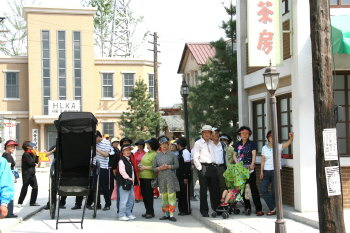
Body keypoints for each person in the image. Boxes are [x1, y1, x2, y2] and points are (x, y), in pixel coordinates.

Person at [260, 131, 294, 215]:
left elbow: (288, 143)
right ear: (268, 138)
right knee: (263, 189)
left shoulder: (278, 146)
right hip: (266, 171)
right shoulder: (264, 148)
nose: (272, 138)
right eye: (270, 137)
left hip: (276, 171)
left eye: (274, 136)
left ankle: (274, 209)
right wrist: (261, 171)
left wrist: (291, 138)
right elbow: (263, 160)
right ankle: (274, 207)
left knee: (275, 191)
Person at [232, 126, 264, 216]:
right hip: (241, 170)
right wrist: (237, 162)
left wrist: (253, 163)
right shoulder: (237, 144)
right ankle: (247, 207)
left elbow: (254, 154)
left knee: (253, 188)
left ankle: (258, 209)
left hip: (250, 169)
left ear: (249, 134)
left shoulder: (252, 143)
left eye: (246, 133)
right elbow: (234, 155)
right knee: (244, 188)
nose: (244, 135)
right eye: (242, 133)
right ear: (240, 134)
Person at [193, 125, 220, 217]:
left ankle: (216, 208)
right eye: (205, 132)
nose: (207, 134)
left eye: (209, 132)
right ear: (202, 133)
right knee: (203, 190)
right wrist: (200, 168)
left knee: (214, 190)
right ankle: (204, 211)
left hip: (212, 167)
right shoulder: (198, 143)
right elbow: (195, 156)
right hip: (203, 167)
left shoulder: (212, 143)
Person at [153, 136, 180, 222]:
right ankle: (166, 214)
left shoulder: (173, 155)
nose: (164, 146)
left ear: (168, 145)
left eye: (166, 144)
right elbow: (153, 168)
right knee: (164, 196)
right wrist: (159, 168)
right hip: (161, 178)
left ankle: (171, 214)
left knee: (171, 195)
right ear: (160, 146)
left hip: (171, 177)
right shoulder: (157, 156)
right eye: (162, 144)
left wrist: (169, 166)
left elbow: (177, 165)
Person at [87, 130, 112, 211]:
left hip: (103, 167)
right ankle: (97, 204)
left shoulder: (106, 142)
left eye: (95, 139)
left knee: (104, 187)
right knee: (94, 186)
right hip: (94, 166)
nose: (95, 141)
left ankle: (108, 204)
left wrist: (97, 150)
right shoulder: (94, 143)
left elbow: (106, 155)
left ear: (98, 137)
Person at [139, 138, 159, 219]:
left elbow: (155, 167)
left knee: (149, 195)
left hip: (149, 177)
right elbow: (142, 162)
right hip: (142, 177)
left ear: (151, 145)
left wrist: (145, 167)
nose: (146, 145)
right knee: (144, 195)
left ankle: (151, 212)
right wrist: (140, 165)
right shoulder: (147, 153)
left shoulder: (155, 154)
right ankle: (147, 210)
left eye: (148, 144)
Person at [117, 144, 138, 221]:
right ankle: (121, 215)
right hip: (124, 183)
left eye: (129, 150)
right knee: (124, 200)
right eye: (126, 150)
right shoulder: (121, 160)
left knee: (130, 200)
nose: (128, 151)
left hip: (130, 183)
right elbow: (122, 171)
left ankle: (128, 213)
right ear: (122, 152)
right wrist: (128, 178)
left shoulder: (129, 160)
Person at [18, 141, 39, 207]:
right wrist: (35, 164)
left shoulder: (31, 153)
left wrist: (37, 156)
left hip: (32, 173)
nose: (32, 147)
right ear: (27, 147)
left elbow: (35, 162)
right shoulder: (25, 154)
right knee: (25, 188)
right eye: (31, 146)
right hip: (26, 174)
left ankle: (32, 202)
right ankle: (20, 202)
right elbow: (30, 163)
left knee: (35, 187)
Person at [2, 140, 18, 218]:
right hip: (8, 178)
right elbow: (7, 168)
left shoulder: (4, 155)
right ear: (6, 147)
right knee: (9, 194)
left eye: (14, 147)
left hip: (5, 177)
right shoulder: (8, 156)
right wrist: (12, 177)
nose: (13, 148)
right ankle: (9, 213)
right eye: (11, 146)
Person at [175, 137, 191, 215]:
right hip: (179, 176)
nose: (176, 145)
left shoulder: (185, 152)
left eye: (177, 144)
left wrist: (186, 177)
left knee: (185, 193)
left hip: (184, 176)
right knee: (180, 193)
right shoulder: (180, 152)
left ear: (180, 144)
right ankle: (181, 210)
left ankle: (186, 210)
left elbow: (187, 165)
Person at [212, 128, 227, 196]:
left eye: (218, 133)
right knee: (214, 187)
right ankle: (215, 205)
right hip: (212, 167)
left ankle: (224, 203)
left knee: (223, 187)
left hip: (222, 168)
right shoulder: (209, 145)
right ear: (211, 135)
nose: (217, 135)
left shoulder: (223, 144)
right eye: (215, 133)